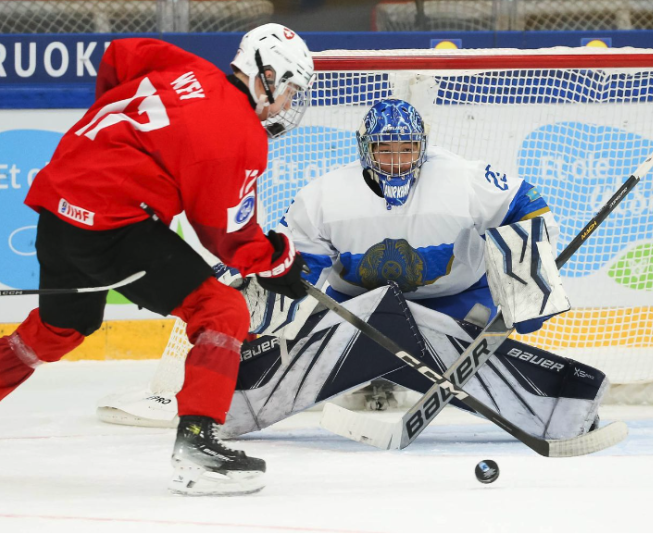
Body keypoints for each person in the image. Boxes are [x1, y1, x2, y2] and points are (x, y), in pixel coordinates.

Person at [0, 23, 315, 496]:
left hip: (56, 203)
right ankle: (199, 447)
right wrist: (278, 262)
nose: (288, 105)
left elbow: (121, 55)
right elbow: (226, 234)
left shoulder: (187, 68)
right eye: (290, 91)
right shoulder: (238, 133)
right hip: (110, 226)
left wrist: (106, 150)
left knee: (63, 325)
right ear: (266, 76)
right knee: (222, 311)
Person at [217, 98, 607, 443]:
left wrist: (527, 280)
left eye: (408, 148)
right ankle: (228, 401)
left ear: (424, 147)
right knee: (299, 319)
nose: (398, 159)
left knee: (473, 341)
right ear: (364, 149)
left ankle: (564, 408)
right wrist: (258, 319)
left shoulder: (462, 177)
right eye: (385, 149)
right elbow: (293, 266)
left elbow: (525, 202)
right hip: (357, 307)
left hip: (455, 302)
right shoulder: (324, 196)